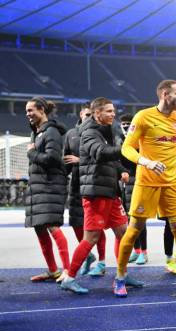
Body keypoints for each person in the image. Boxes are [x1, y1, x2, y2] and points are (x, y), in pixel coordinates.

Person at [116, 80, 176, 297]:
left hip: (171, 183)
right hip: (146, 182)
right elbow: (126, 147)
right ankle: (120, 277)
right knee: (133, 231)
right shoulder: (143, 117)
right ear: (164, 94)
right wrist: (146, 162)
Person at [59, 97, 133, 294]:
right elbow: (100, 153)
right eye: (109, 111)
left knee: (123, 232)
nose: (113, 114)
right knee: (90, 237)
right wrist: (126, 149)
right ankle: (70, 277)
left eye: (113, 110)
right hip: (96, 193)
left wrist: (121, 170)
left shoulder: (104, 131)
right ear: (97, 113)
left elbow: (108, 159)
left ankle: (122, 273)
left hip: (109, 191)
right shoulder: (90, 132)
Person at [24, 97, 70, 283]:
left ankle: (68, 270)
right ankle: (53, 270)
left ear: (42, 110)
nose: (28, 114)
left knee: (52, 226)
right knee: (40, 228)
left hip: (50, 185)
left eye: (30, 110)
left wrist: (31, 153)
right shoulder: (37, 132)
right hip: (39, 187)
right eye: (26, 111)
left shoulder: (51, 131)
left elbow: (52, 158)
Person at [64, 103, 107, 276]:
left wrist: (79, 160)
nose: (89, 117)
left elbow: (99, 157)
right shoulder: (71, 134)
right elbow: (65, 159)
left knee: (97, 226)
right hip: (75, 184)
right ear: (81, 114)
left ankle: (102, 262)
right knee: (76, 223)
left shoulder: (99, 132)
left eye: (92, 114)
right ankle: (88, 255)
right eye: (87, 114)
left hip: (93, 184)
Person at [118, 113, 149, 267]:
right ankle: (136, 251)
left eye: (128, 123)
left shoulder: (139, 139)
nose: (125, 126)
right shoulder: (120, 139)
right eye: (123, 123)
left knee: (139, 219)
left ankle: (144, 252)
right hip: (124, 184)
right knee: (130, 220)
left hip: (138, 180)